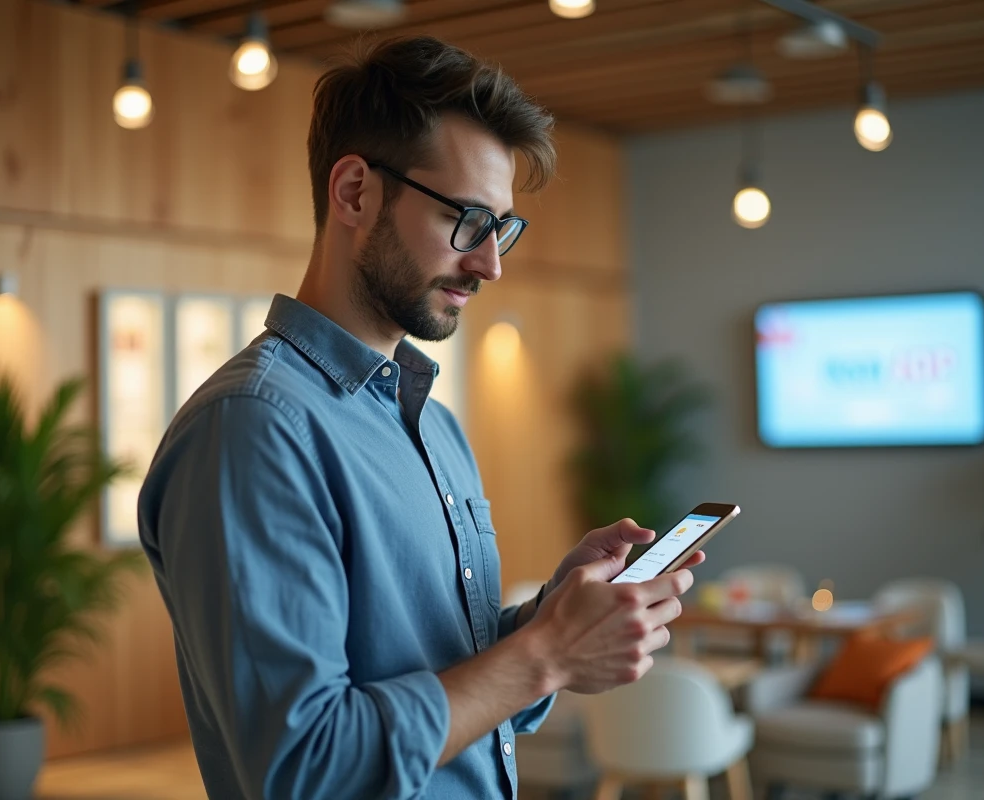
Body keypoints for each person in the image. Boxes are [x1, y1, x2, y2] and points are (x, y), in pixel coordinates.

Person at [137, 35, 701, 800]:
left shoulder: (431, 423)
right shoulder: (253, 429)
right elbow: (304, 768)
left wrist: (550, 623)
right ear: (354, 193)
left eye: (501, 228)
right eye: (467, 220)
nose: (490, 263)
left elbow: (448, 679)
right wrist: (546, 657)